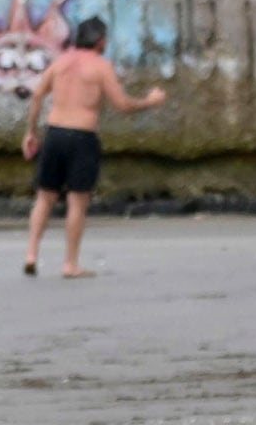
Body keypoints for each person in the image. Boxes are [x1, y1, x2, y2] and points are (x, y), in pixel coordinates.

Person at [20, 18, 168, 278]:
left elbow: (37, 96)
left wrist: (31, 132)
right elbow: (122, 104)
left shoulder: (60, 62)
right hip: (82, 137)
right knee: (77, 202)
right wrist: (150, 101)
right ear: (100, 40)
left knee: (45, 197)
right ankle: (70, 264)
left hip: (54, 133)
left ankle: (31, 254)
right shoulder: (101, 66)